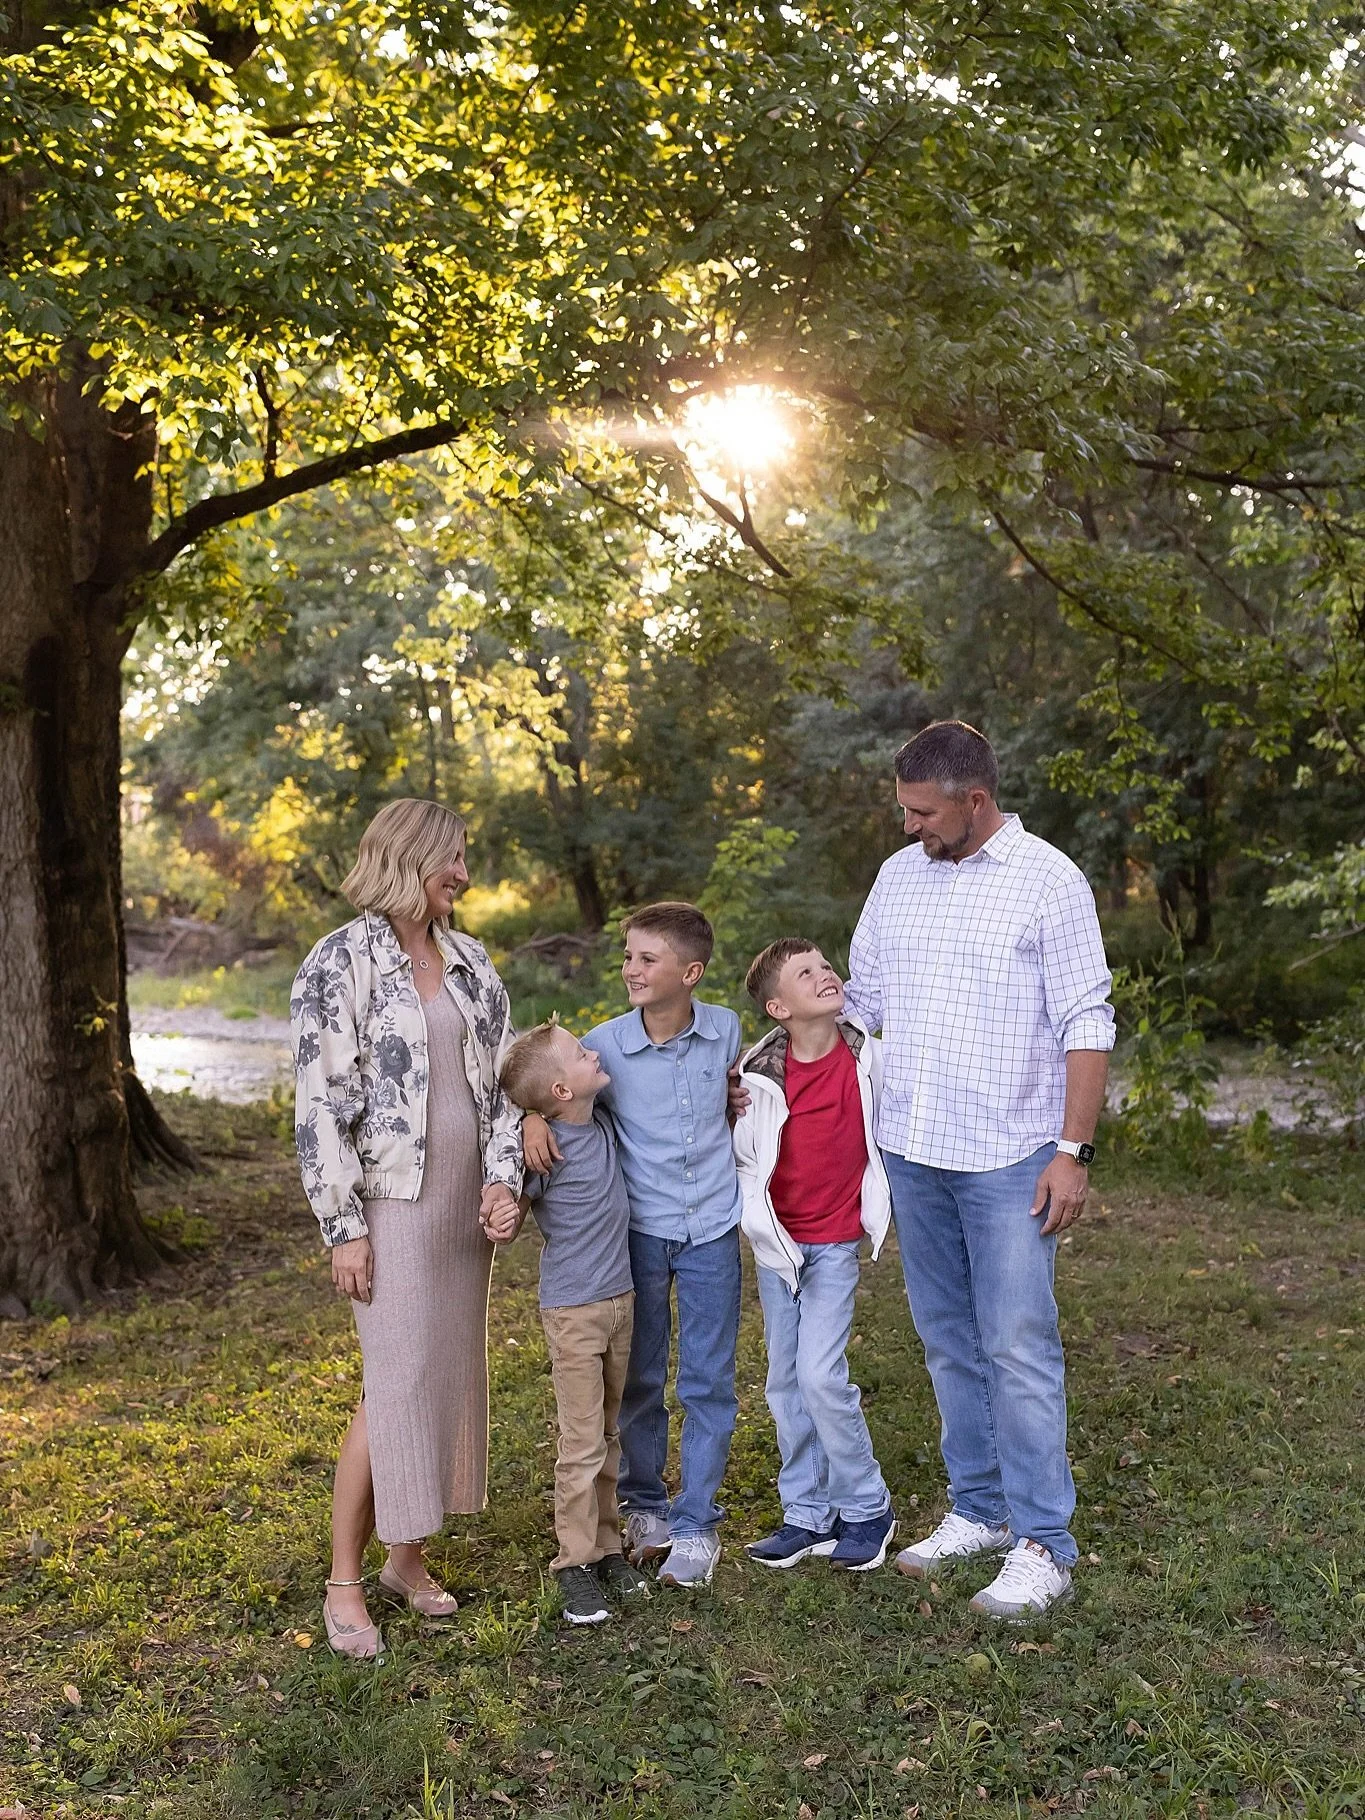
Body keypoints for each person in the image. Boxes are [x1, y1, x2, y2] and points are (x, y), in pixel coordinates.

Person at [846, 720, 1114, 1621]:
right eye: (903, 811)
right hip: (913, 1151)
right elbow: (861, 1005)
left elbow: (1086, 1021)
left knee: (1017, 1346)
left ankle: (1045, 1543)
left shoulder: (1048, 881)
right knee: (948, 1341)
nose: (909, 827)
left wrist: (1070, 1152)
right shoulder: (897, 878)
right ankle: (981, 1508)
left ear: (974, 800)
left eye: (921, 812)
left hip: (1010, 1158)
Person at [290, 798, 523, 1659]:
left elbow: (506, 1088)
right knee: (395, 1383)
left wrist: (504, 1181)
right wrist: (342, 1226)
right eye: (451, 858)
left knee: (444, 1377)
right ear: (409, 857)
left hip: (463, 1207)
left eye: (463, 857)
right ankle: (344, 1582)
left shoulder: (469, 959)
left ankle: (406, 1560)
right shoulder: (338, 963)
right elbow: (319, 1108)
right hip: (390, 1205)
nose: (463, 872)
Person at [523, 902, 743, 1590]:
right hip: (637, 1239)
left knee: (707, 1381)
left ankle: (698, 1521)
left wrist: (738, 1097)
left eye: (648, 959)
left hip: (711, 1230)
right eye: (627, 957)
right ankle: (645, 1508)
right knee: (640, 1379)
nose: (631, 969)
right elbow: (550, 1086)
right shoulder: (605, 1045)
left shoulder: (727, 1031)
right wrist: (530, 1115)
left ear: (691, 971)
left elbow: (745, 1094)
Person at [733, 939, 896, 1572]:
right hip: (780, 1248)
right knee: (783, 1383)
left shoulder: (871, 1060)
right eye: (807, 973)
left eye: (827, 966)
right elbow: (744, 1155)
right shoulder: (754, 1076)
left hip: (834, 1245)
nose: (826, 975)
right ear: (778, 1007)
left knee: (821, 1378)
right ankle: (807, 1513)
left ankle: (865, 1507)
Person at [497, 1018, 652, 1625]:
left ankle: (608, 1546)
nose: (593, 1052)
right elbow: (510, 1183)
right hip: (573, 1311)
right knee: (582, 1441)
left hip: (622, 1301)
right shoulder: (544, 1148)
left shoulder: (605, 1122)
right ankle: (574, 1563)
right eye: (580, 1054)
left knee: (611, 1432)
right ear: (561, 1091)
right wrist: (528, 1121)